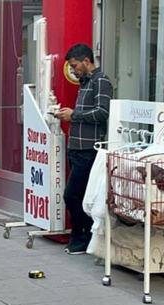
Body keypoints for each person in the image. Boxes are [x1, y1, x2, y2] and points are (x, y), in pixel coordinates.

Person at [54, 43, 113, 255]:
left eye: (75, 65)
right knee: (77, 194)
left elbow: (102, 113)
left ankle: (85, 234)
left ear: (87, 61)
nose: (72, 70)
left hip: (89, 149)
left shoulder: (101, 81)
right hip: (76, 146)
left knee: (72, 195)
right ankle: (78, 235)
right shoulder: (85, 82)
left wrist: (74, 115)